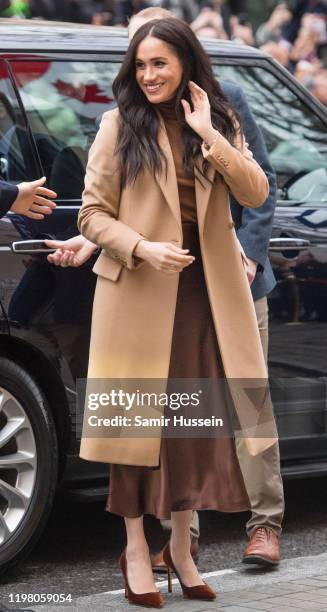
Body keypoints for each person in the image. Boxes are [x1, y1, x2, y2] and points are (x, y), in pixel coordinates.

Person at [47, 6, 284, 570]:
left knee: (248, 405)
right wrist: (122, 244)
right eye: (137, 58)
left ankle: (266, 523)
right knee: (168, 413)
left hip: (230, 282)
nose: (146, 70)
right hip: (154, 285)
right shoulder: (120, 121)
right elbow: (106, 206)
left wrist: (246, 253)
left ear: (184, 55)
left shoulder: (220, 108)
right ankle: (183, 540)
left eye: (158, 58)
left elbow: (258, 190)